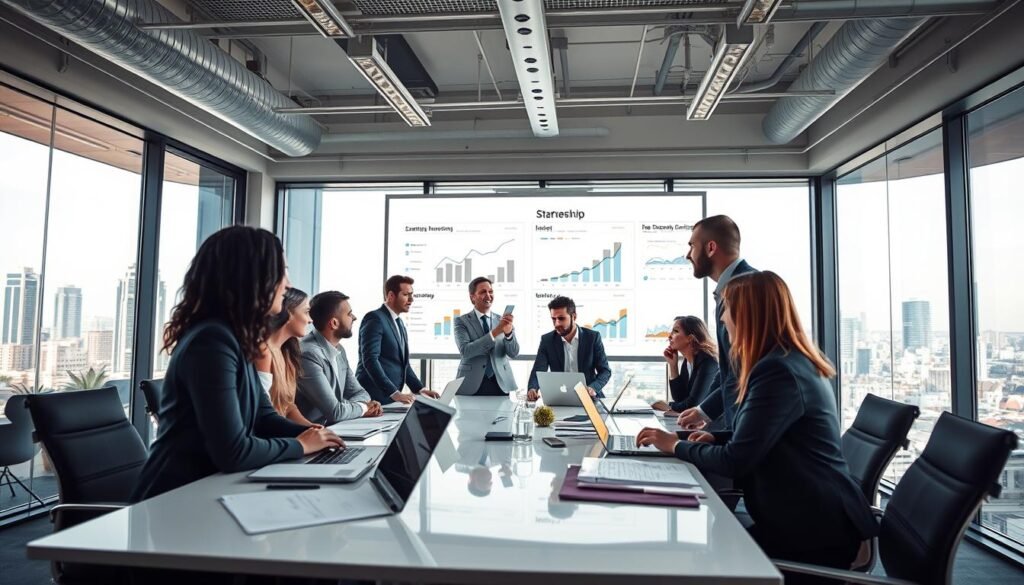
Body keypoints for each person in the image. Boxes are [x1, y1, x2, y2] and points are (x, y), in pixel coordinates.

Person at [636, 272, 877, 575]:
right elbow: (763, 436)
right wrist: (716, 438)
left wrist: (675, 445)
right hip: (805, 516)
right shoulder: (787, 361)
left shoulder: (777, 372)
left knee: (685, 567)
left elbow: (736, 462)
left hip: (816, 534)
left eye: (727, 314)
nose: (723, 321)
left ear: (747, 317)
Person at [132, 226, 342, 502]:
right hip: (175, 499)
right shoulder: (211, 341)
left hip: (211, 489)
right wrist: (300, 445)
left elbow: (263, 417)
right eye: (281, 272)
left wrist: (315, 434)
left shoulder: (234, 338)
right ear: (251, 278)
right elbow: (233, 451)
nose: (287, 284)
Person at [676, 215, 757, 432]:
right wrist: (703, 411)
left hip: (749, 432)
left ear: (711, 248)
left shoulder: (746, 290)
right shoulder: (731, 288)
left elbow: (742, 373)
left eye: (692, 246)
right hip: (738, 431)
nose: (688, 255)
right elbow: (730, 367)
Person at [296, 291, 383, 425]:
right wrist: (364, 408)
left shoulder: (339, 350)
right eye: (349, 314)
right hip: (310, 435)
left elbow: (361, 393)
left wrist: (347, 408)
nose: (354, 317)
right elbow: (335, 412)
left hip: (335, 428)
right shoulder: (308, 354)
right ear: (334, 323)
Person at [355, 275, 440, 404]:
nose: (411, 300)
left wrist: (420, 389)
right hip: (373, 397)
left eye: (412, 295)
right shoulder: (375, 318)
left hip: (390, 399)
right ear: (391, 296)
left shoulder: (399, 323)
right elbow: (370, 360)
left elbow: (403, 364)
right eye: (406, 295)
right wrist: (393, 393)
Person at [527, 296, 611, 401]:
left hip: (590, 398)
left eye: (561, 318)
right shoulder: (547, 340)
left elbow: (605, 371)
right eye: (554, 319)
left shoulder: (592, 338)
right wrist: (532, 388)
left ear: (574, 317)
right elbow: (538, 370)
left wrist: (593, 388)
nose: (557, 324)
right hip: (560, 398)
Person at [254, 287, 317, 427]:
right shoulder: (262, 352)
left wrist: (311, 428)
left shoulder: (288, 353)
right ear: (288, 312)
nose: (310, 320)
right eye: (306, 312)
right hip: (269, 437)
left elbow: (288, 406)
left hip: (282, 434)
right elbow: (260, 412)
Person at [454, 277, 519, 396]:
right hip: (471, 383)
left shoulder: (503, 320)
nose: (488, 295)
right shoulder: (461, 321)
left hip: (500, 383)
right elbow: (466, 351)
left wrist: (508, 334)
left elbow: (514, 353)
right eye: (483, 292)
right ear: (472, 297)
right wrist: (496, 331)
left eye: (491, 291)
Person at [650, 315, 720, 416]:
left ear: (690, 338)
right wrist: (673, 366)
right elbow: (680, 398)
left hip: (713, 426)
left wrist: (668, 406)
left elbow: (692, 405)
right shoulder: (687, 362)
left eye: (675, 331)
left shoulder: (707, 362)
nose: (669, 336)